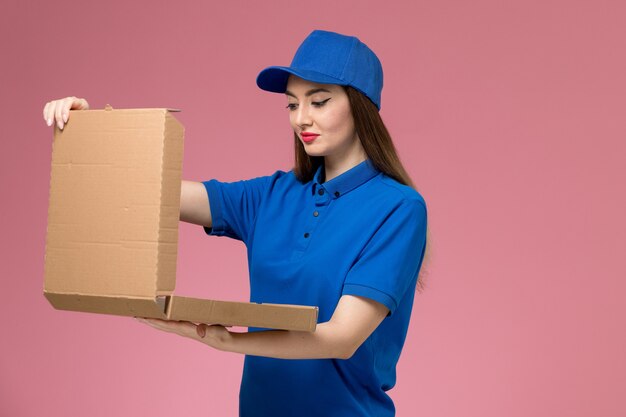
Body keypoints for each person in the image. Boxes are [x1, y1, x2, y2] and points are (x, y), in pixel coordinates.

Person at [42, 29, 429, 417]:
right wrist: (87, 131)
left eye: (319, 101)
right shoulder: (271, 195)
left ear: (360, 106)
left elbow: (342, 337)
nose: (301, 118)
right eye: (292, 105)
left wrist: (227, 340)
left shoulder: (399, 208)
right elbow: (149, 191)